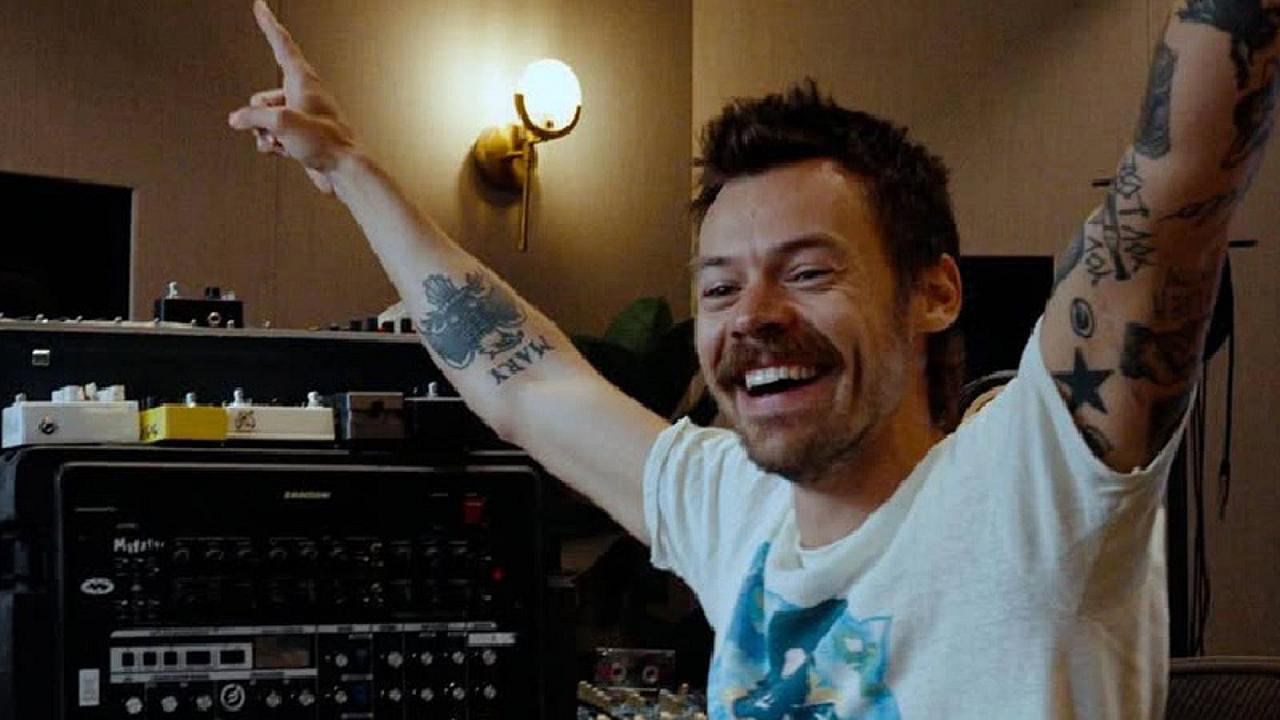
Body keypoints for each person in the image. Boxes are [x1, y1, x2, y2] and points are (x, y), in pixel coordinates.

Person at [228, 1, 1278, 716]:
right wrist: (349, 168)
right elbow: (524, 379)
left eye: (807, 272)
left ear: (934, 292)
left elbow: (1176, 178)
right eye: (720, 287)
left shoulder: (1031, 492)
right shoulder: (732, 506)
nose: (752, 318)